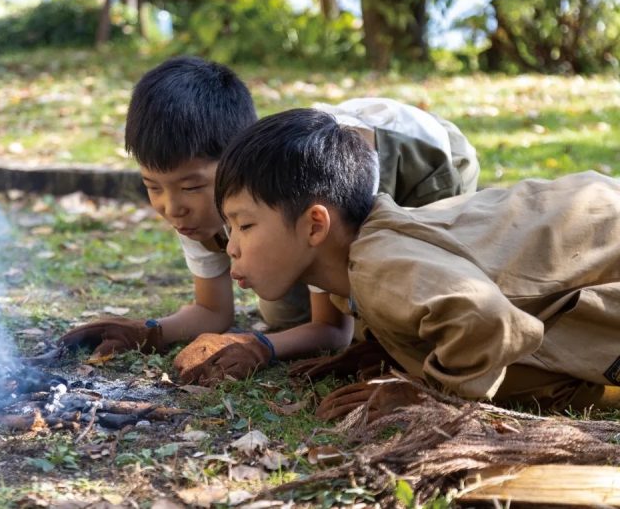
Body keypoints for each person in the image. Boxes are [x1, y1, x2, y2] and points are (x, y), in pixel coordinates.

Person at [59, 56, 480, 385]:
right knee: (282, 311)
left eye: (189, 187)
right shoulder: (196, 207)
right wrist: (149, 331)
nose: (172, 207)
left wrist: (261, 346)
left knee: (389, 311)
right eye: (153, 187)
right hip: (323, 158)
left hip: (422, 162)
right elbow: (212, 310)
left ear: (232, 162)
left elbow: (333, 332)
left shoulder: (300, 196)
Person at [212, 106, 620, 418]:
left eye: (245, 225)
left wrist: (426, 394)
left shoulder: (376, 265)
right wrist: (390, 351)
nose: (232, 246)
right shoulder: (360, 262)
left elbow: (488, 322)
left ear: (315, 225)